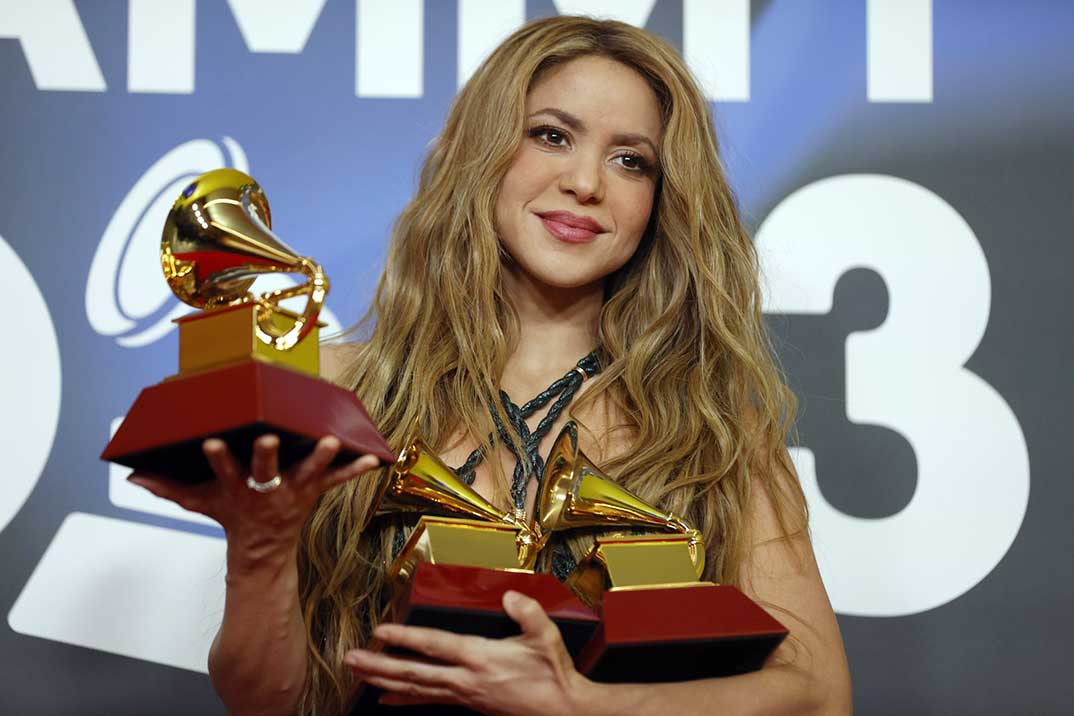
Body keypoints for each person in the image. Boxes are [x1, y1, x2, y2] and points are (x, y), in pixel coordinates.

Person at [130, 15, 852, 716]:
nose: (586, 182)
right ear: (485, 151)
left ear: (660, 200)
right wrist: (259, 552)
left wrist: (584, 708)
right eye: (551, 135)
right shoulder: (337, 390)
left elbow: (820, 694)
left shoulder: (716, 433)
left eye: (631, 160)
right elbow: (264, 701)